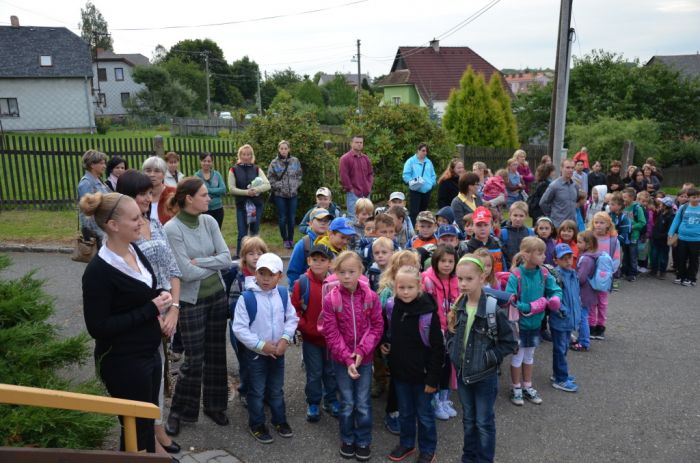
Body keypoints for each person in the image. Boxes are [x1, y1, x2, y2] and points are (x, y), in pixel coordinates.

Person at [81, 192, 170, 453]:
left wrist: (159, 296)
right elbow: (98, 327)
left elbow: (140, 293)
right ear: (113, 225)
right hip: (124, 362)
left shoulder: (134, 249)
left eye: (141, 216)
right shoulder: (98, 272)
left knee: (144, 425)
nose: (142, 222)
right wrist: (149, 309)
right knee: (135, 430)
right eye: (135, 218)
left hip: (148, 353)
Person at [116, 170, 183, 456]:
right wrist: (156, 313)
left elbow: (172, 268)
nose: (146, 197)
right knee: (146, 379)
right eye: (140, 193)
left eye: (147, 192)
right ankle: (150, 439)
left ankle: (156, 429)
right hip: (144, 315)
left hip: (166, 312)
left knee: (158, 374)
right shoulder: (122, 233)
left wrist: (175, 310)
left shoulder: (154, 222)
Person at [163, 177, 232, 436]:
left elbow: (226, 259)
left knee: (216, 355)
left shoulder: (210, 221)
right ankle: (179, 412)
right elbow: (185, 273)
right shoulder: (172, 229)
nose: (209, 198)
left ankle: (215, 406)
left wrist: (200, 261)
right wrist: (208, 264)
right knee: (193, 360)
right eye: (204, 195)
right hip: (191, 302)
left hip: (217, 297)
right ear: (188, 199)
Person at [447, 255, 517, 463]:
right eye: (460, 279)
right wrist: (452, 350)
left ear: (482, 277)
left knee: (484, 422)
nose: (463, 284)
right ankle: (468, 458)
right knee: (468, 420)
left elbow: (510, 342)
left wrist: (490, 358)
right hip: (463, 375)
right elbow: (451, 334)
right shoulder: (458, 306)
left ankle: (484, 459)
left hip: (485, 377)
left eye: (469, 278)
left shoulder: (492, 309)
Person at [322, 251, 383, 461]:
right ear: (335, 272)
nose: (347, 276)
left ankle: (363, 439)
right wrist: (348, 358)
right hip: (341, 361)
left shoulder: (371, 297)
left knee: (363, 402)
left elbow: (377, 326)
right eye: (342, 272)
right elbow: (331, 332)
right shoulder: (331, 299)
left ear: (361, 272)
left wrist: (361, 352)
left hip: (364, 360)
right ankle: (347, 438)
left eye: (351, 271)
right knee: (347, 401)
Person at [232, 253, 299, 443]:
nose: (266, 278)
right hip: (256, 355)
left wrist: (285, 339)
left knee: (276, 389)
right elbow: (239, 328)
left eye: (271, 274)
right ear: (255, 274)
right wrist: (262, 345)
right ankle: (257, 424)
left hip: (278, 352)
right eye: (262, 273)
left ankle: (279, 420)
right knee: (257, 391)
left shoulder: (283, 294)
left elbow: (291, 318)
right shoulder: (247, 298)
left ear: (279, 276)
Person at [386, 266, 444, 463]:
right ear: (395, 286)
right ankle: (407, 443)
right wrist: (385, 345)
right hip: (400, 374)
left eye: (410, 287)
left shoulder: (428, 313)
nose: (405, 291)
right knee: (405, 412)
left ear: (419, 286)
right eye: (401, 287)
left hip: (423, 377)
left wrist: (433, 379)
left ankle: (428, 449)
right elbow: (390, 334)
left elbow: (438, 349)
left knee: (425, 415)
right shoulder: (393, 307)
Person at [506, 236, 563, 406]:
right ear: (526, 254)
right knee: (517, 357)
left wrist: (555, 299)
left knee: (529, 356)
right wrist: (529, 307)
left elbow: (556, 289)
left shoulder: (544, 272)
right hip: (519, 325)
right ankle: (515, 387)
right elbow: (510, 299)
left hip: (536, 324)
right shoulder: (516, 275)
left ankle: (527, 386)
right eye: (540, 253)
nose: (544, 256)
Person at [292, 244, 340, 422]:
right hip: (311, 339)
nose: (318, 263)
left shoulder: (336, 282)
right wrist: (307, 328)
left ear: (330, 263)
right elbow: (294, 310)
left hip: (332, 339)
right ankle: (313, 402)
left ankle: (331, 399)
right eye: (314, 260)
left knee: (331, 371)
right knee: (314, 373)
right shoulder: (301, 283)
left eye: (323, 260)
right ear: (308, 261)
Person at [377, 250, 422, 434]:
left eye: (413, 267)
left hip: (413, 345)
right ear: (395, 270)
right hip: (393, 344)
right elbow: (380, 320)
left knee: (411, 377)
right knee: (396, 380)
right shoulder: (388, 291)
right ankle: (392, 411)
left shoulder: (417, 289)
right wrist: (383, 342)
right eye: (405, 268)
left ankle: (407, 409)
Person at [227, 236, 269, 408]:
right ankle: (245, 391)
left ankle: (262, 391)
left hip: (263, 328)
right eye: (251, 253)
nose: (256, 257)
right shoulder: (239, 278)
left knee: (263, 361)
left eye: (259, 253)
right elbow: (233, 306)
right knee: (245, 362)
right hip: (242, 329)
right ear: (244, 256)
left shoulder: (269, 276)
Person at [421, 245, 458, 422]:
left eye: (451, 261)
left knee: (448, 365)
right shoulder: (427, 279)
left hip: (452, 329)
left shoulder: (456, 280)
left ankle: (444, 398)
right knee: (437, 365)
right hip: (436, 331)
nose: (447, 265)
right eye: (443, 261)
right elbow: (427, 308)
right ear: (436, 261)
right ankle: (434, 400)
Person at [228, 144, 271, 257]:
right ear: (240, 155)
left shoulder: (257, 169)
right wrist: (246, 192)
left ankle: (257, 255)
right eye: (243, 154)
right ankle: (240, 256)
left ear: (251, 155)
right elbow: (231, 189)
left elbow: (267, 185)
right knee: (242, 233)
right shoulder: (233, 169)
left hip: (256, 205)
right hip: (242, 206)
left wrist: (256, 190)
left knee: (254, 232)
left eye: (248, 154)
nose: (246, 156)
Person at [550, 243, 581, 392]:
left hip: (569, 319)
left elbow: (575, 294)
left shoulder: (572, 273)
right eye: (564, 258)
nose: (568, 261)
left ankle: (559, 374)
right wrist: (562, 310)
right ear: (556, 260)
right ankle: (560, 379)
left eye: (570, 257)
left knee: (564, 348)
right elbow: (553, 295)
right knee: (560, 349)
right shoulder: (556, 275)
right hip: (561, 319)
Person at [588, 212, 620, 337]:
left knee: (602, 303)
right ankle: (591, 324)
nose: (598, 225)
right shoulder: (590, 237)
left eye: (602, 223)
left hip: (604, 277)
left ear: (608, 225)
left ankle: (600, 326)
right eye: (596, 222)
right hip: (590, 275)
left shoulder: (613, 240)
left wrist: (609, 273)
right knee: (591, 302)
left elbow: (616, 258)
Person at [268, 140, 303, 249]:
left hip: (293, 194)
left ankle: (291, 239)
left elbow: (299, 175)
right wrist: (279, 186)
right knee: (282, 218)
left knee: (291, 218)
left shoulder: (295, 161)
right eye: (281, 148)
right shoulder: (274, 163)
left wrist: (296, 185)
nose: (283, 150)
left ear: (289, 149)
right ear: (279, 149)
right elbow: (270, 178)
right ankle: (285, 239)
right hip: (280, 195)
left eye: (285, 148)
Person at [287, 208, 332, 289]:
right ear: (310, 223)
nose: (323, 223)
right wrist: (294, 291)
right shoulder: (303, 244)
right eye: (319, 220)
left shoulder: (332, 242)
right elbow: (293, 272)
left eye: (326, 221)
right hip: (307, 291)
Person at [572, 231, 600, 350]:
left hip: (584, 293)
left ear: (588, 244)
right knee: (583, 316)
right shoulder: (591, 256)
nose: (577, 244)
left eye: (579, 242)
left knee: (582, 318)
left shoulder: (586, 259)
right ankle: (583, 339)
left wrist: (572, 280)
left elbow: (581, 278)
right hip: (589, 292)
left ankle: (584, 342)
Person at [77, 149, 110, 246]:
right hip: (95, 230)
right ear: (92, 165)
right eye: (101, 163)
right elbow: (88, 210)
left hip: (103, 226)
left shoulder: (99, 180)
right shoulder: (86, 183)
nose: (104, 166)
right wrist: (98, 233)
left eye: (104, 163)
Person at [668, 187, 700, 287]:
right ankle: (680, 276)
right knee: (681, 258)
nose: (696, 199)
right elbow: (676, 220)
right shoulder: (683, 207)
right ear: (689, 198)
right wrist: (671, 232)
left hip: (696, 239)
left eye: (698, 197)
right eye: (694, 197)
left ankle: (691, 278)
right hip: (682, 237)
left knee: (693, 259)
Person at [339, 135, 374, 220]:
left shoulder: (365, 158)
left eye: (361, 142)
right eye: (356, 142)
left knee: (367, 217)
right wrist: (350, 189)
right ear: (351, 143)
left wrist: (368, 186)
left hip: (366, 193)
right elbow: (344, 175)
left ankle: (366, 233)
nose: (359, 144)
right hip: (353, 194)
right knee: (353, 217)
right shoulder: (345, 158)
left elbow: (370, 173)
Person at [402, 143, 437, 225]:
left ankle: (422, 228)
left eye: (426, 151)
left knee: (423, 212)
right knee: (414, 212)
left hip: (427, 190)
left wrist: (431, 183)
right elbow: (406, 175)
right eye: (423, 151)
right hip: (415, 190)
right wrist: (412, 182)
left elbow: (433, 175)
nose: (425, 153)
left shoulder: (429, 162)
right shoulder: (410, 161)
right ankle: (412, 229)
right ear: (418, 151)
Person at [465, 207, 507, 274]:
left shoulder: (497, 244)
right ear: (472, 226)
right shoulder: (466, 247)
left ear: (491, 225)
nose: (482, 228)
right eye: (479, 225)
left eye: (486, 225)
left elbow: (503, 268)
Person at [539, 159, 579, 228]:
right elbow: (543, 203)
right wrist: (553, 216)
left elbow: (576, 201)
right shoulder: (554, 185)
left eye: (572, 168)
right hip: (558, 225)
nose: (570, 170)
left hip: (572, 225)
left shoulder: (575, 185)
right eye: (568, 167)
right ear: (561, 168)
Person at [195, 153, 227, 230]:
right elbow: (198, 192)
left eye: (209, 161)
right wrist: (216, 192)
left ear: (212, 162)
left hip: (218, 209)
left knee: (217, 232)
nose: (206, 163)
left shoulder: (217, 174)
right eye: (204, 161)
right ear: (200, 161)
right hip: (203, 210)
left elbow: (223, 189)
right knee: (205, 233)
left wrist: (207, 190)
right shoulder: (196, 176)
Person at [621, 188, 647, 282]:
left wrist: (631, 227)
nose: (623, 199)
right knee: (625, 254)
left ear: (632, 198)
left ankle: (632, 273)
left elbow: (642, 222)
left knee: (633, 255)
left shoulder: (637, 208)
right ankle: (625, 270)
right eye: (622, 197)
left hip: (633, 236)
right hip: (624, 236)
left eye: (625, 197)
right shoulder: (622, 207)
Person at [143, 156, 176, 225]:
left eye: (157, 171)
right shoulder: (138, 195)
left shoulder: (173, 193)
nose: (152, 174)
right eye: (148, 171)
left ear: (164, 174)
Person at [500, 201, 535, 268]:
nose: (518, 219)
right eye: (515, 215)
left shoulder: (530, 233)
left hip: (526, 270)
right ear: (510, 215)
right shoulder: (503, 233)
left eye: (521, 216)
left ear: (526, 216)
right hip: (509, 270)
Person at [649, 197, 675, 279]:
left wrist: (661, 236)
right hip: (656, 238)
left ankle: (662, 271)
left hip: (663, 240)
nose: (660, 205)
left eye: (661, 204)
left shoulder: (671, 216)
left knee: (663, 256)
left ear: (665, 206)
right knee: (654, 255)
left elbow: (669, 230)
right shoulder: (661, 212)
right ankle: (654, 270)